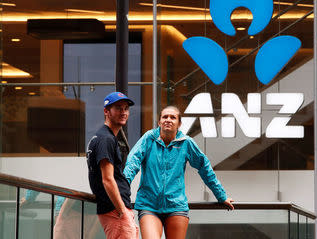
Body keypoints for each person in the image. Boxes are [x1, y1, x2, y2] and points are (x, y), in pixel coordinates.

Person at [124, 106, 234, 239]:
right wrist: (121, 191)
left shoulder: (186, 143)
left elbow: (205, 168)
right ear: (159, 122)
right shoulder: (148, 139)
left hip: (176, 206)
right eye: (165, 117)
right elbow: (132, 163)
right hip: (149, 205)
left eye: (173, 117)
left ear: (179, 123)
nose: (168, 120)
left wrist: (221, 196)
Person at [86, 91, 139, 239]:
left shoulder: (104, 137)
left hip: (115, 210)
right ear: (106, 111)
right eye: (118, 108)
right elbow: (107, 179)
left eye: (126, 108)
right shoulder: (106, 139)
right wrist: (122, 211)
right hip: (115, 211)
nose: (123, 112)